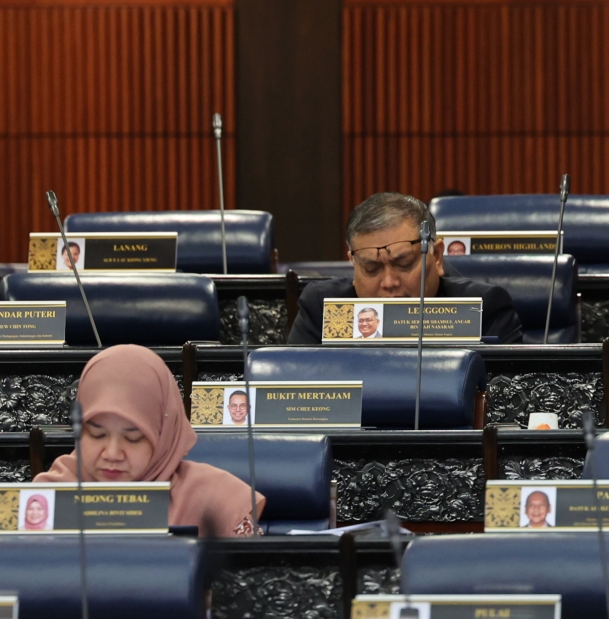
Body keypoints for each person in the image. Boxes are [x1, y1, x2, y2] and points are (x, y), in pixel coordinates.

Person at [35, 345, 265, 537]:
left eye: (133, 438)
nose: (112, 453)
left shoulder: (215, 502)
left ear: (164, 437)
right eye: (97, 434)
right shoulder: (48, 498)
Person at [288, 193, 523, 344]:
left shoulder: (482, 308)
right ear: (353, 264)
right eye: (371, 268)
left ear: (437, 257)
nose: (389, 282)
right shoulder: (324, 308)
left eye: (404, 264)